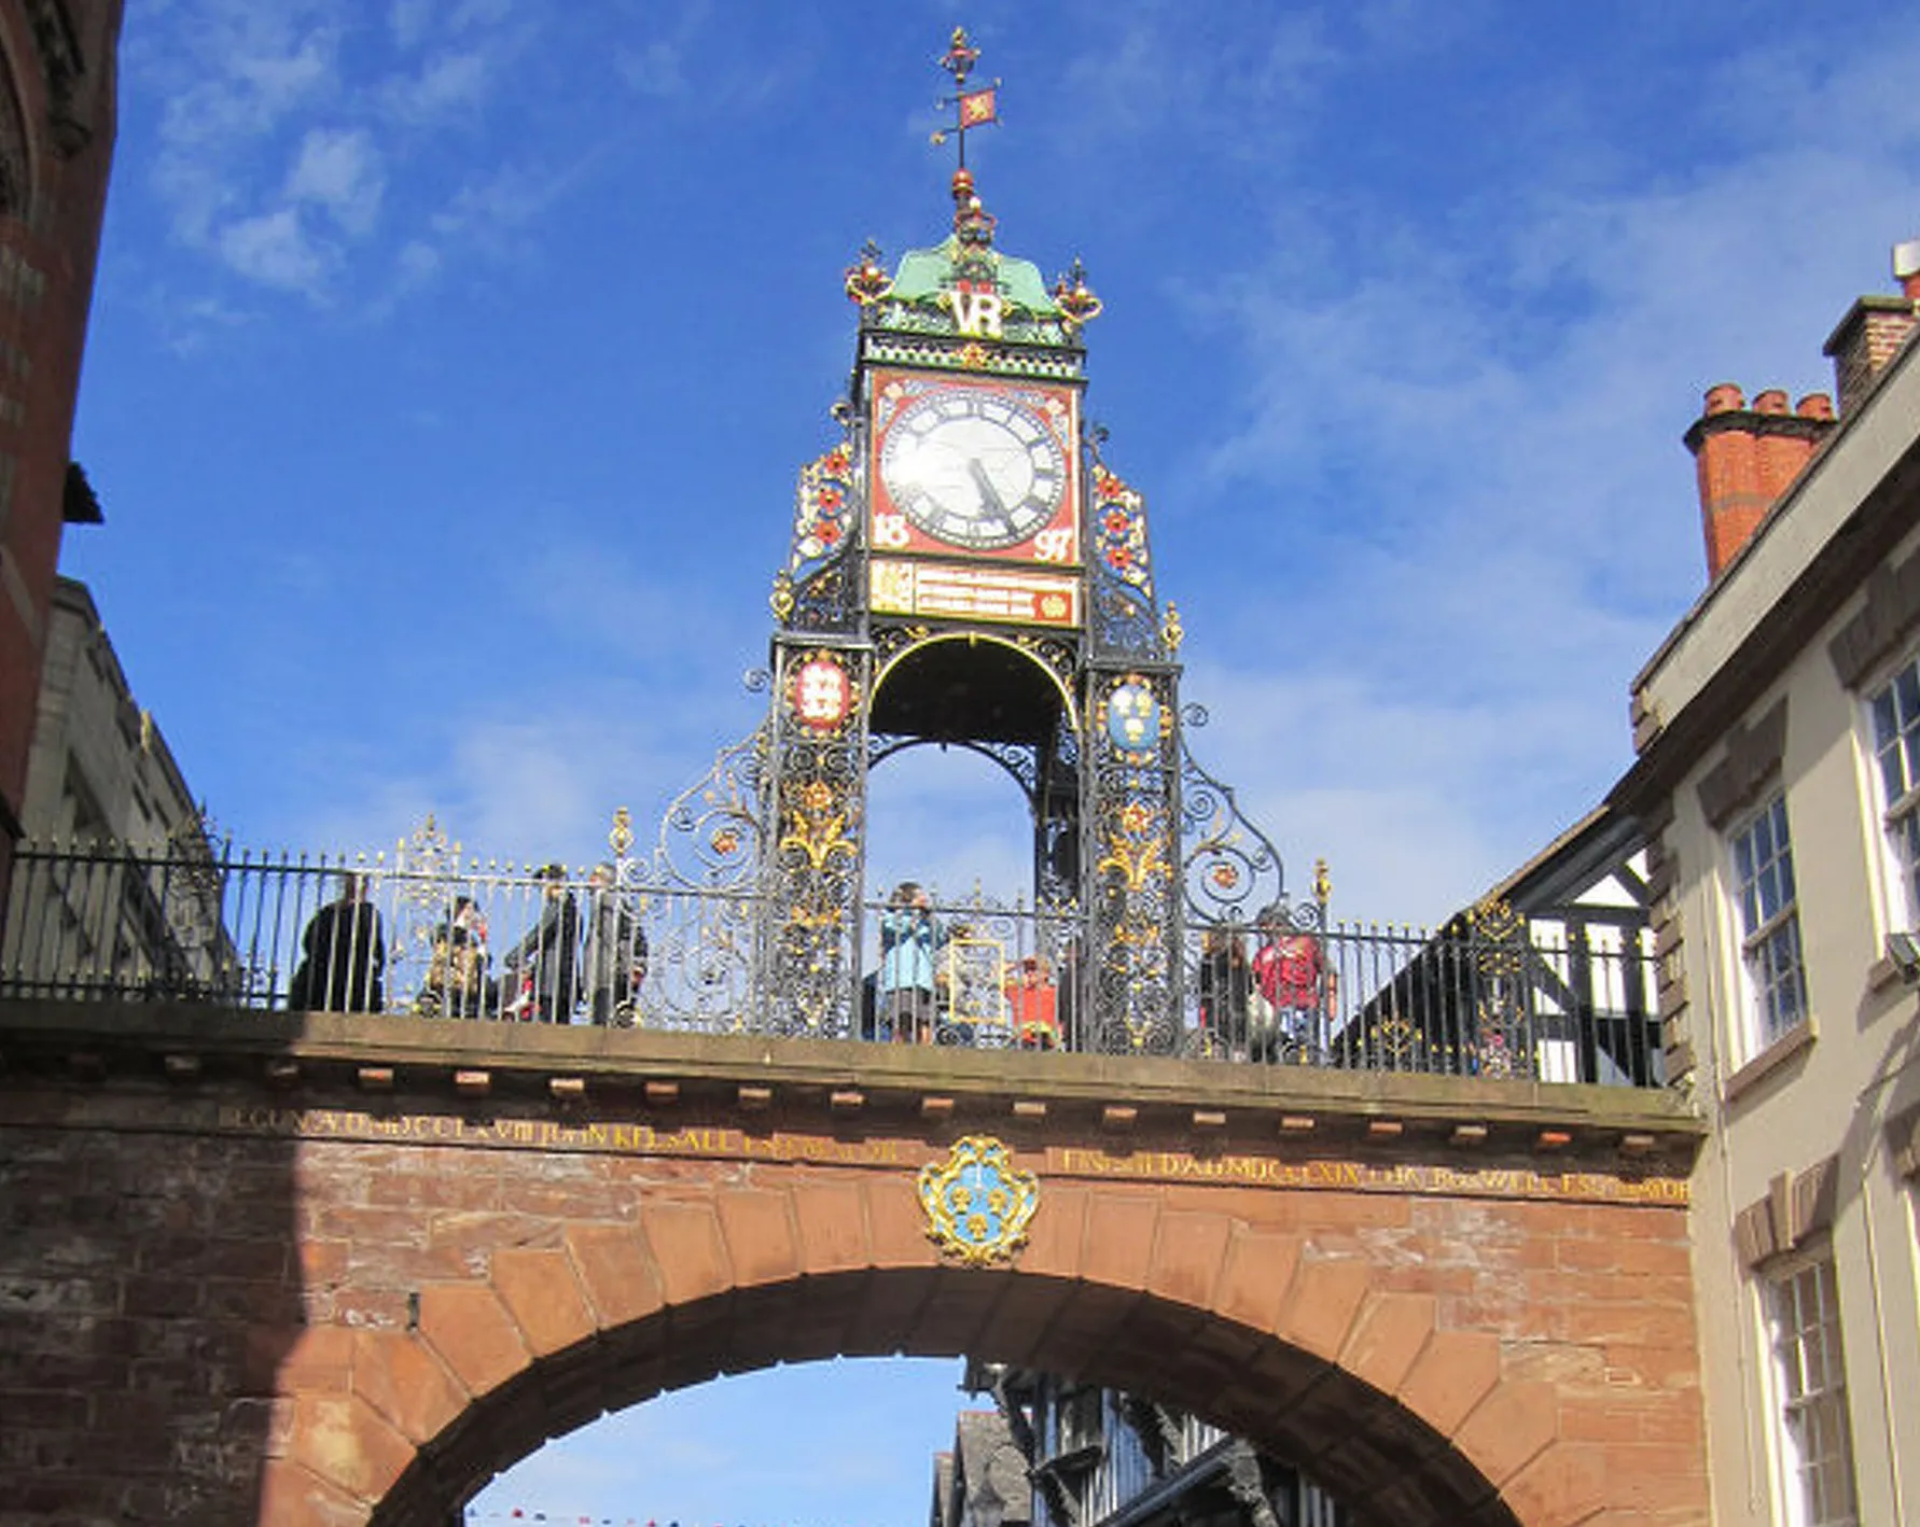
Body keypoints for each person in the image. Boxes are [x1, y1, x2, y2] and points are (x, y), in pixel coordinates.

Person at [288, 872, 386, 1013]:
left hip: (339, 974)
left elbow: (308, 941)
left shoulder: (362, 912)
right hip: (339, 975)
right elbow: (309, 940)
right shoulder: (333, 911)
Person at [1251, 900, 1331, 1064]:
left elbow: (1328, 969)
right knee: (1280, 1046)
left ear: (1278, 922)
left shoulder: (1306, 941)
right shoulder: (1262, 954)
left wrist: (1331, 997)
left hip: (1302, 1001)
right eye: (1262, 926)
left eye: (1266, 924)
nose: (1264, 930)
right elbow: (1256, 984)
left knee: (1305, 1043)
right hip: (1274, 1006)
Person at [500, 864, 581, 1023]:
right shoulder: (573, 906)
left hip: (552, 978)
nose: (542, 891)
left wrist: (514, 957)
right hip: (567, 977)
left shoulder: (558, 906)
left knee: (548, 1024)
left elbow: (539, 934)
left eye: (542, 886)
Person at [877, 881, 943, 1043]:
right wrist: (913, 912)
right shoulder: (890, 917)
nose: (924, 899)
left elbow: (939, 938)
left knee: (926, 1022)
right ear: (908, 898)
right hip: (902, 980)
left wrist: (928, 917)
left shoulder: (926, 920)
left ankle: (926, 1059)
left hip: (924, 980)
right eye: (919, 895)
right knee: (901, 1023)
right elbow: (895, 928)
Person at [583, 862, 648, 1026]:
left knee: (608, 1020)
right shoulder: (603, 903)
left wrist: (631, 966)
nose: (589, 883)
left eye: (594, 878)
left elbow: (616, 938)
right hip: (608, 972)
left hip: (611, 973)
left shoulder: (608, 901)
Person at [420, 894, 492, 1018]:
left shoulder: (472, 940)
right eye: (472, 911)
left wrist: (483, 942)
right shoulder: (444, 930)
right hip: (450, 982)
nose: (475, 916)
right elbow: (445, 945)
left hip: (468, 986)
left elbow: (480, 965)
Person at [1196, 925, 1252, 1058]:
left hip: (1220, 1011)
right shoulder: (1240, 961)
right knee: (1236, 1048)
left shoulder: (1211, 959)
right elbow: (1249, 988)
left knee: (1220, 1046)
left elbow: (1203, 986)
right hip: (1235, 1011)